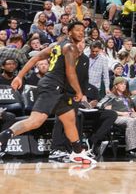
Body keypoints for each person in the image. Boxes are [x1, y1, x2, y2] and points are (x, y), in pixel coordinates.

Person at [0, 19, 95, 164]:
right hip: (53, 86)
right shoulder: (70, 48)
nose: (81, 33)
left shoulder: (57, 45)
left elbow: (36, 57)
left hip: (58, 88)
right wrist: (79, 92)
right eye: (77, 30)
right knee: (36, 121)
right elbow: (71, 73)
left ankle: (77, 152)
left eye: (83, 31)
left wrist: (19, 76)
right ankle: (5, 136)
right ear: (69, 32)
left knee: (69, 120)